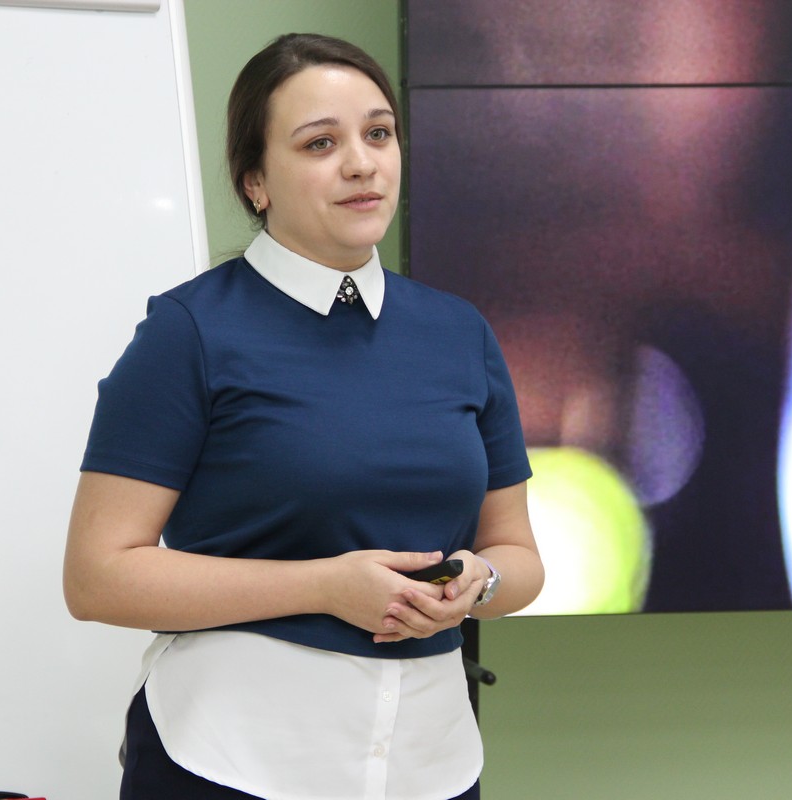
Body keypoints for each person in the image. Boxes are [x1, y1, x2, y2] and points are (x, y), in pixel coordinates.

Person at [63, 32, 544, 800]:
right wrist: (323, 587)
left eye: (378, 134)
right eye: (321, 143)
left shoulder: (460, 333)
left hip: (430, 767)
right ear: (255, 181)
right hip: (228, 764)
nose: (362, 163)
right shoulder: (190, 331)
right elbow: (98, 577)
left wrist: (479, 583)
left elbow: (518, 557)